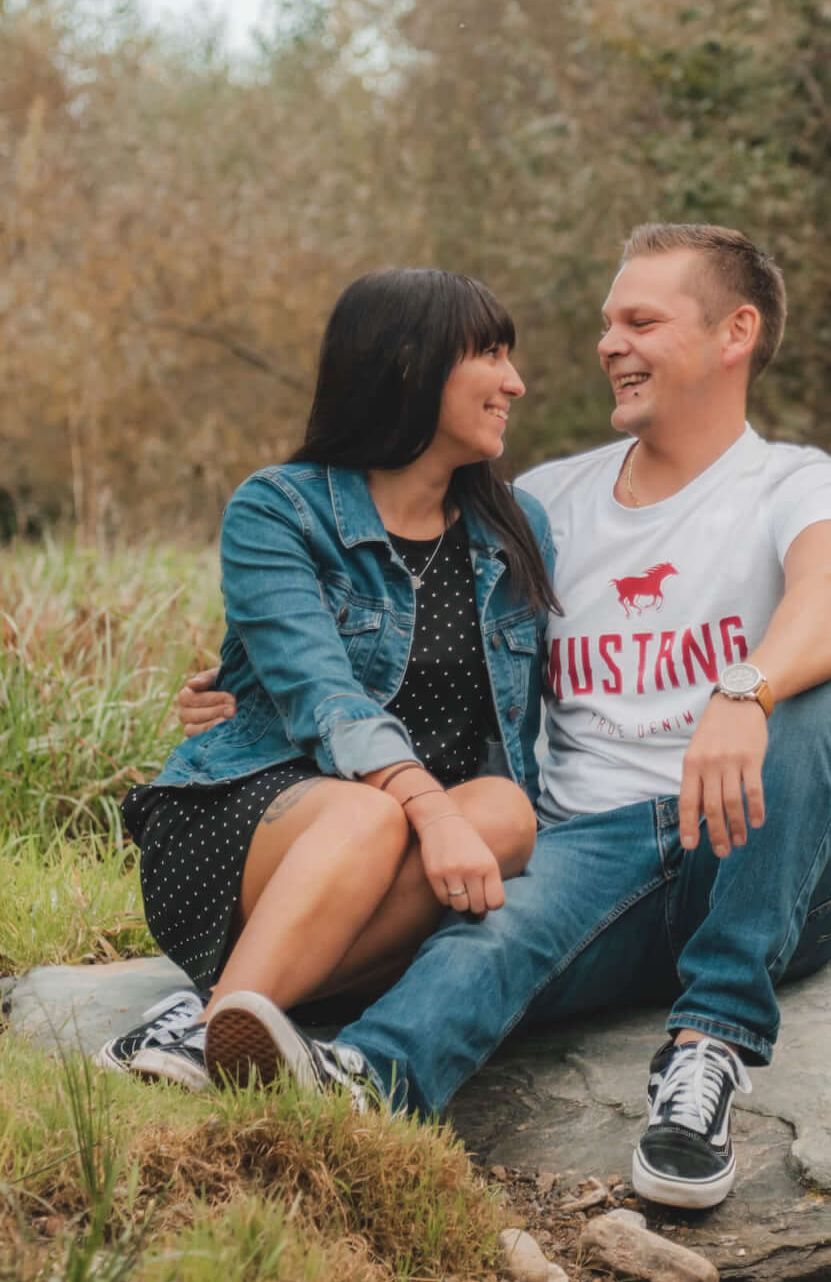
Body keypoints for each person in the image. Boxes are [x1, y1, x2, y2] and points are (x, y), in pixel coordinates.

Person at [173, 223, 831, 1208]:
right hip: (593, 846)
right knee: (492, 925)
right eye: (604, 322)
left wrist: (744, 687)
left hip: (766, 847)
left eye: (639, 319)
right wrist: (243, 686)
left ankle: (706, 1054)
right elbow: (416, 646)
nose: (606, 343)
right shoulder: (537, 507)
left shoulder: (800, 482)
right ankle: (363, 1086)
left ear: (735, 332)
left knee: (813, 692)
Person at [99, 268, 554, 1094]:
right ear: (410, 367)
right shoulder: (279, 508)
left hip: (405, 855)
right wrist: (423, 804)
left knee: (507, 812)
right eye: (490, 354)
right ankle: (214, 1027)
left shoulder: (516, 532)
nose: (514, 383)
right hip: (247, 819)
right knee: (373, 811)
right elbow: (322, 695)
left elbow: (553, 706)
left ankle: (229, 1012)